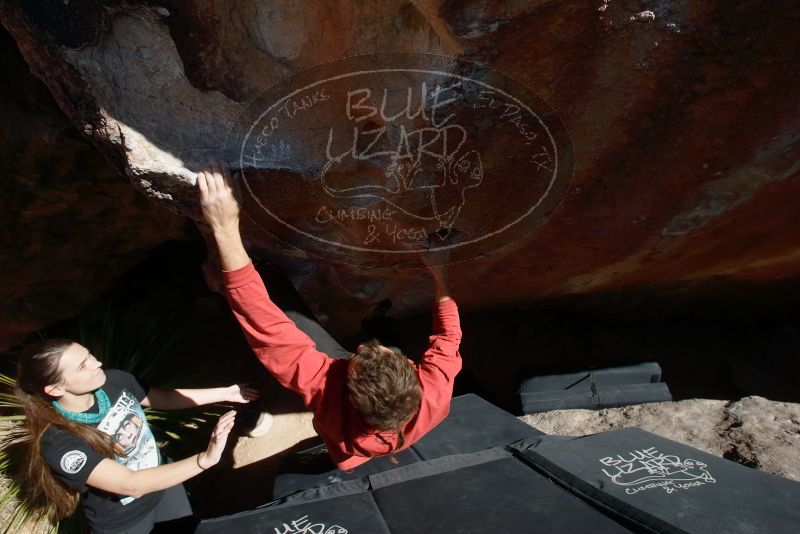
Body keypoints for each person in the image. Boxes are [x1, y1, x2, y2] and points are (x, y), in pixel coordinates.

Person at [197, 161, 462, 472]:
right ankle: (379, 323)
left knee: (286, 307)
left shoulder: (324, 390)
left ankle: (269, 275)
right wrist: (439, 268)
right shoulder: (435, 393)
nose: (363, 348)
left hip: (341, 428)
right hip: (358, 443)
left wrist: (224, 227)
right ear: (414, 376)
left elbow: (264, 323)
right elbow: (448, 335)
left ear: (347, 391)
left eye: (360, 357)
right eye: (384, 353)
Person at [14, 338, 258, 533]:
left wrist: (227, 393)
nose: (97, 363)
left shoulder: (115, 381)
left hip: (164, 483)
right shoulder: (59, 442)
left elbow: (162, 398)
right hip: (125, 520)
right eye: (82, 366)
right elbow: (129, 484)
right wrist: (204, 460)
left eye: (89, 356)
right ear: (55, 388)